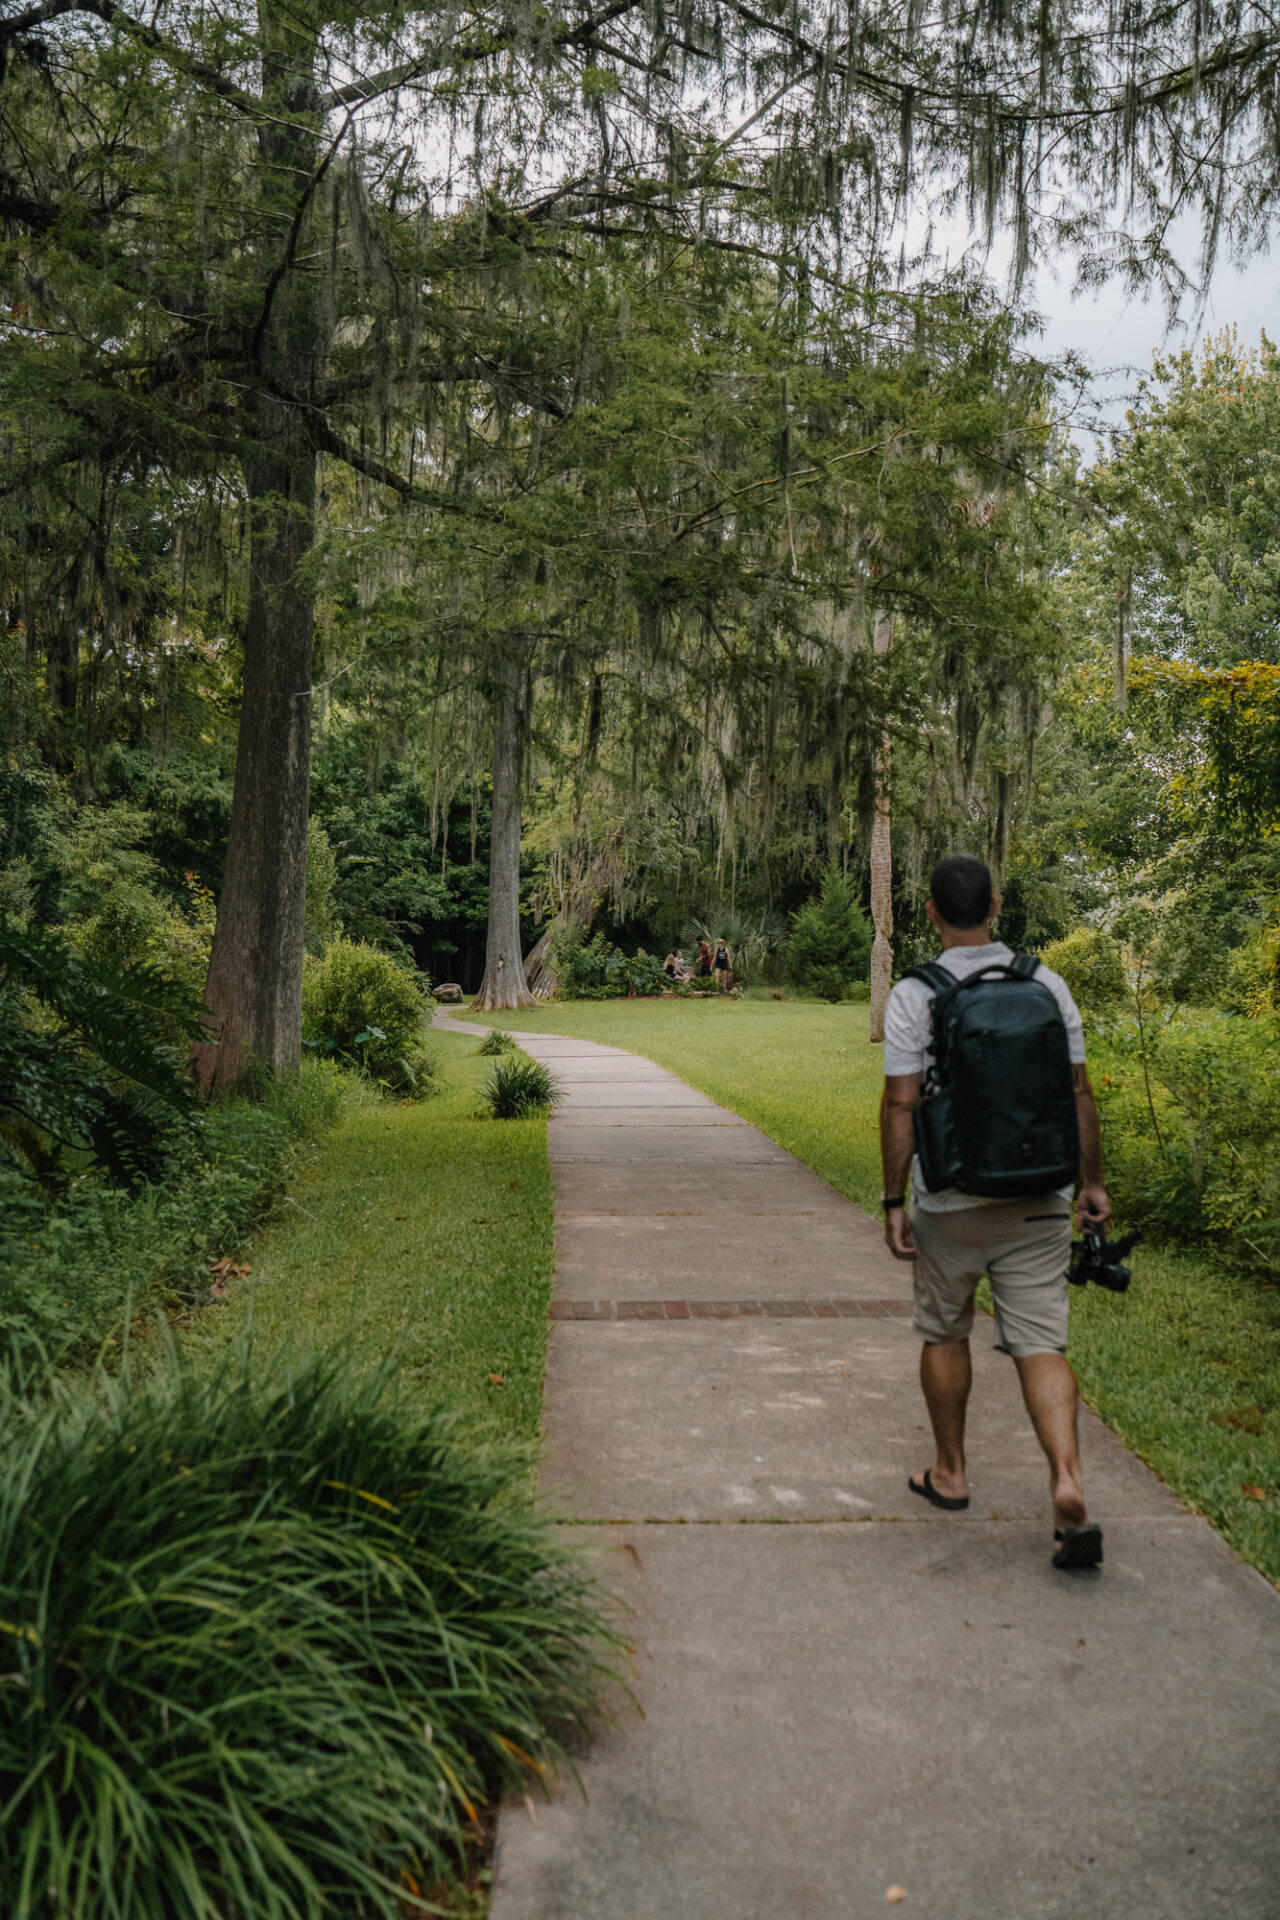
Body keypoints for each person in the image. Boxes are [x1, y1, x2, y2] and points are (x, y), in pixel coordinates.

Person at [878, 852, 1112, 1571]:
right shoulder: (1046, 983)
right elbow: (1078, 1093)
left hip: (950, 1198)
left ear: (929, 911)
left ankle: (950, 1473)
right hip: (1041, 1193)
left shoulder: (915, 994)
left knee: (945, 1332)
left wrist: (895, 1198)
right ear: (997, 904)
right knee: (1042, 1344)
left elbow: (901, 1104)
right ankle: (1067, 1481)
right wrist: (1093, 1183)